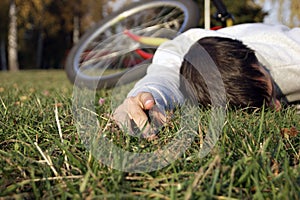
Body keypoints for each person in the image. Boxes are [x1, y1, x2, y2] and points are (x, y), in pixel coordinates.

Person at [113, 23, 300, 137]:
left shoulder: (292, 58)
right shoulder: (183, 53)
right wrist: (147, 98)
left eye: (272, 95)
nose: (278, 107)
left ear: (257, 63)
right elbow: (165, 75)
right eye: (267, 104)